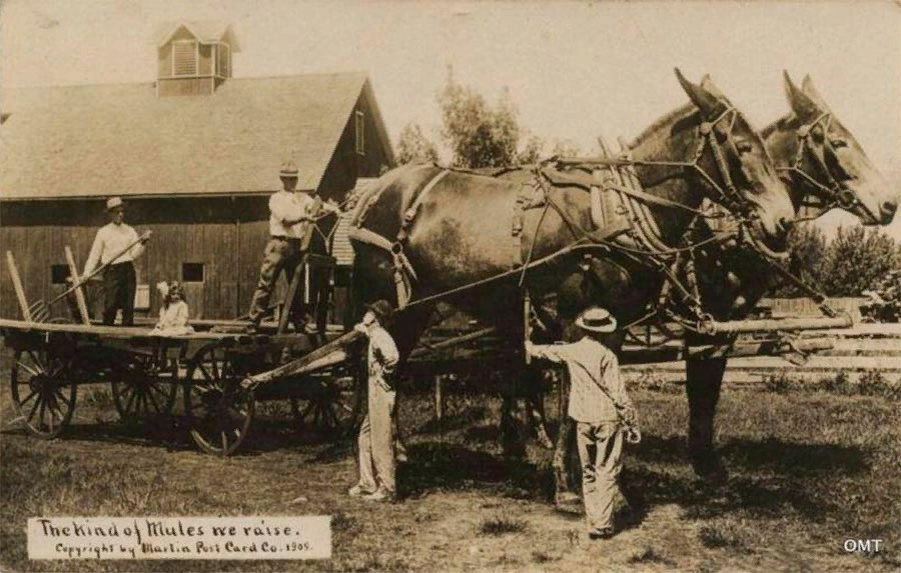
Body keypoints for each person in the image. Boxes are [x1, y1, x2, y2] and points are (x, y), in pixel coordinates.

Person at [525, 307, 641, 540]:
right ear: (605, 332)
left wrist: (528, 342)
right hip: (606, 418)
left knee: (587, 471)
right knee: (606, 471)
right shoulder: (607, 356)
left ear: (584, 328)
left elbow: (545, 352)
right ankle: (603, 524)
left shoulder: (573, 350)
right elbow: (618, 394)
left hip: (582, 419)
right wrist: (632, 423)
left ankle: (593, 522)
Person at [245, 161, 340, 333]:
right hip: (278, 245)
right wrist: (305, 217)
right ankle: (253, 323)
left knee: (297, 287)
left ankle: (299, 324)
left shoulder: (302, 198)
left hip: (296, 247)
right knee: (266, 284)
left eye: (295, 178)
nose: (293, 181)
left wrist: (334, 209)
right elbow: (286, 219)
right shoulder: (276, 199)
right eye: (289, 179)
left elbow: (318, 206)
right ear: (282, 179)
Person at [348, 300, 400, 503]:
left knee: (381, 440)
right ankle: (367, 483)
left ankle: (387, 488)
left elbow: (393, 358)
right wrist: (363, 330)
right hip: (375, 390)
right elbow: (366, 331)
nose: (366, 313)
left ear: (376, 318)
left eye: (370, 312)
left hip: (381, 390)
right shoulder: (374, 333)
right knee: (364, 437)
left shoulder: (380, 335)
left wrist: (384, 376)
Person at [82, 197, 148, 326]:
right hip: (112, 271)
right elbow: (95, 255)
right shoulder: (103, 232)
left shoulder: (130, 231)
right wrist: (87, 273)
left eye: (122, 211)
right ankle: (107, 332)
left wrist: (142, 244)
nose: (120, 214)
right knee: (111, 304)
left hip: (128, 269)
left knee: (128, 305)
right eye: (117, 212)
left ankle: (128, 335)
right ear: (110, 214)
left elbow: (134, 254)